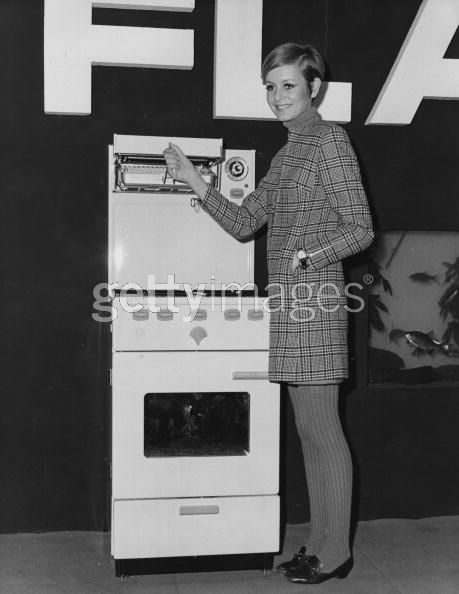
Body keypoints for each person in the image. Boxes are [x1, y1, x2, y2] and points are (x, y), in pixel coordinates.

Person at [163, 42, 373, 585]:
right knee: (311, 433)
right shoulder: (286, 156)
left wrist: (307, 257)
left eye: (288, 86)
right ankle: (321, 545)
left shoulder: (330, 141)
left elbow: (360, 228)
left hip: (316, 304)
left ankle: (335, 553)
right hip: (289, 309)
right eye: (271, 87)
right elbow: (243, 223)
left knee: (323, 431)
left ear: (314, 88)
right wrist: (193, 179)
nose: (278, 97)